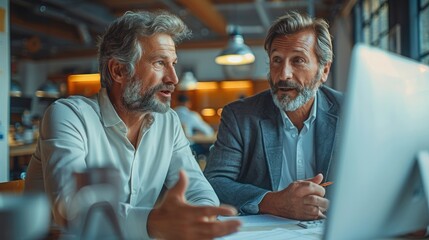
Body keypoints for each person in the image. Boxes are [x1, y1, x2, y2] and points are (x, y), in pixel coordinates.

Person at [25, 10, 240, 239]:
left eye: (173, 64)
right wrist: (154, 222)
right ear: (118, 70)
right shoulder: (69, 116)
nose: (173, 78)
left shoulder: (168, 122)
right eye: (159, 63)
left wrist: (200, 216)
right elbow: (71, 209)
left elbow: (197, 189)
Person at [204, 11, 343, 221]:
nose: (284, 74)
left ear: (324, 70)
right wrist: (274, 202)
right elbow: (214, 182)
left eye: (298, 61)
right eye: (277, 60)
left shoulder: (349, 111)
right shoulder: (240, 116)